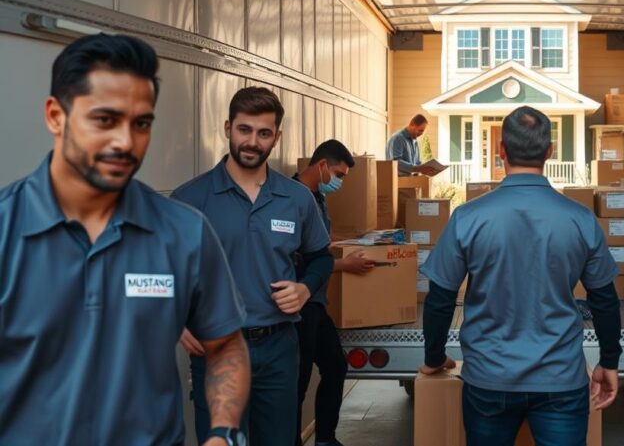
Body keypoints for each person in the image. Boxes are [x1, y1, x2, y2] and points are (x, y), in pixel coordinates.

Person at [0, 34, 250, 446]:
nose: (125, 142)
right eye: (104, 120)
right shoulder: (7, 230)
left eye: (141, 123)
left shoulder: (184, 233)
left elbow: (225, 345)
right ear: (55, 116)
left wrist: (222, 433)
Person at [419, 105, 622, 446]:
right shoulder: (580, 219)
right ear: (549, 152)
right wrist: (609, 361)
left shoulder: (467, 217)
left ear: (501, 152)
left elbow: (440, 299)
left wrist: (434, 358)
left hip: (488, 380)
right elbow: (604, 298)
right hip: (560, 380)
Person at [173, 87, 333, 446]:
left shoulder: (296, 199)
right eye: (244, 130)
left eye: (264, 133)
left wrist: (306, 287)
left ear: (277, 137)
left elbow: (321, 257)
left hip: (278, 349)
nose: (252, 141)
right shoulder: (189, 199)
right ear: (228, 127)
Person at [292, 139, 376, 446]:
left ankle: (325, 438)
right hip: (300, 305)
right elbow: (301, 260)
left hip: (316, 303)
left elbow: (317, 242)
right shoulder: (293, 198)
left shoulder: (317, 198)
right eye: (339, 174)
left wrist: (350, 242)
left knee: (335, 365)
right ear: (322, 166)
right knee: (297, 383)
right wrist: (346, 264)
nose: (339, 181)